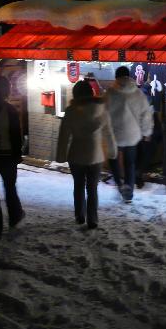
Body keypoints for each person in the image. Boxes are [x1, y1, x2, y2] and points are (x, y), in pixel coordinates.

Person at [56, 79, 117, 230]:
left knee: (78, 186)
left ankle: (79, 215)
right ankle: (93, 219)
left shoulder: (71, 111)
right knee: (92, 189)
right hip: (95, 156)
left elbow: (64, 136)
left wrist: (61, 156)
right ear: (91, 93)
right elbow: (109, 133)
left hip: (76, 155)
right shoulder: (102, 109)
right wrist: (112, 151)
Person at [105, 65, 153, 202]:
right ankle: (128, 192)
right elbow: (146, 114)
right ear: (129, 76)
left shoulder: (109, 93)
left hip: (115, 135)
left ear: (116, 77)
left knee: (113, 160)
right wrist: (146, 132)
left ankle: (119, 184)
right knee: (130, 163)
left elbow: (102, 113)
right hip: (132, 135)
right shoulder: (137, 93)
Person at [0, 75, 25, 242]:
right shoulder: (9, 110)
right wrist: (18, 155)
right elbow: (16, 136)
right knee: (10, 188)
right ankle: (15, 217)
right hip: (8, 156)